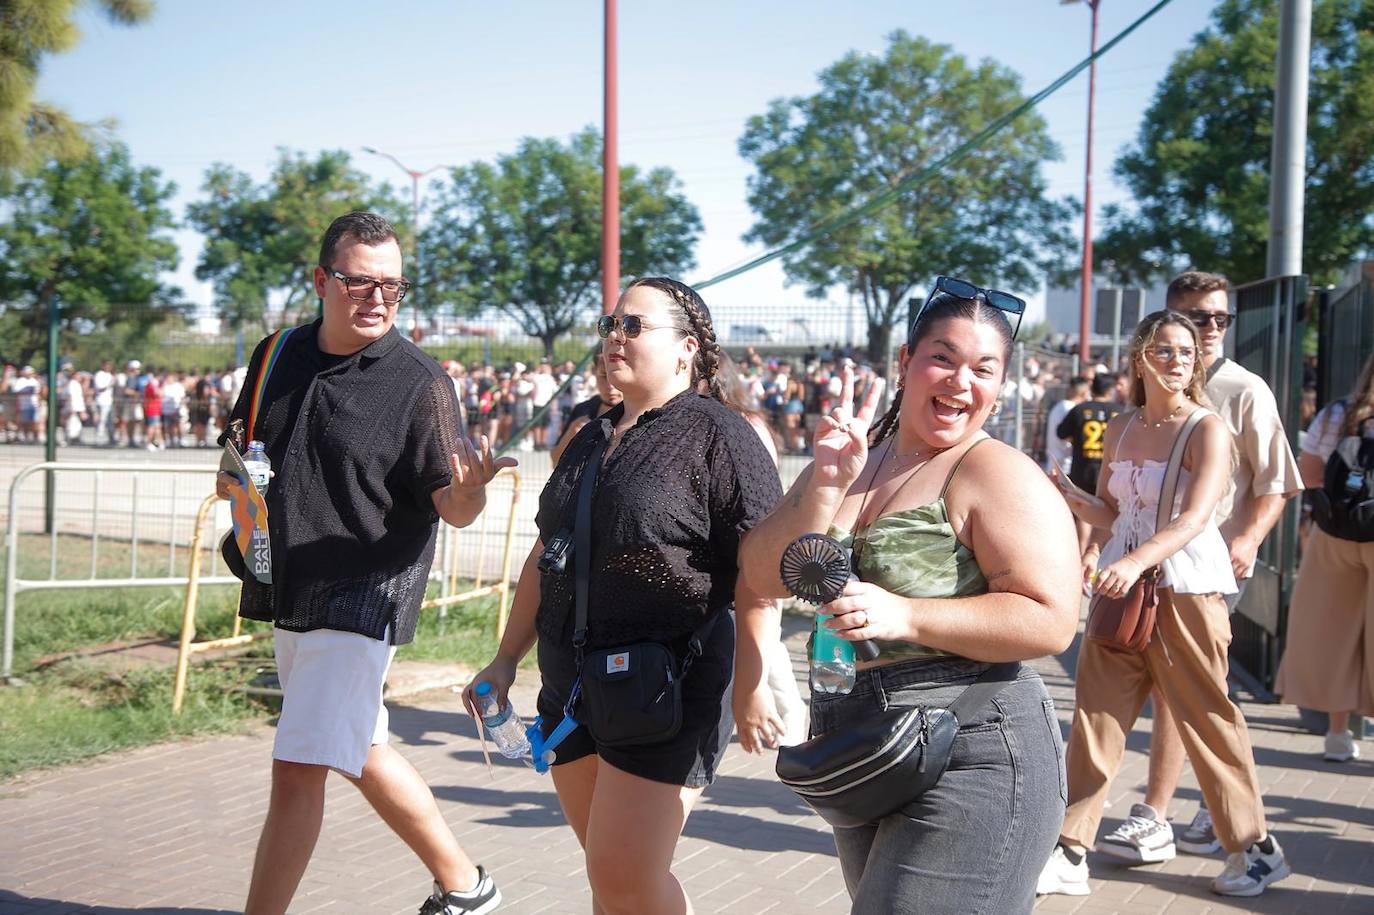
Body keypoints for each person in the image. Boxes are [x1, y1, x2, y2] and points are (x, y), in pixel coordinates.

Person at [740, 280, 1080, 914]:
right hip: (863, 746)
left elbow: (1052, 618)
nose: (959, 381)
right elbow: (759, 574)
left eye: (983, 369)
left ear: (1000, 386)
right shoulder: (854, 459)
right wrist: (822, 487)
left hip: (974, 745)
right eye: (942, 358)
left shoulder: (994, 471)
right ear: (905, 362)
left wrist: (906, 613)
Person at [217, 212, 510, 915]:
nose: (377, 298)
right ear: (322, 281)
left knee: (297, 769)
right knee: (360, 746)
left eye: (393, 286)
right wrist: (240, 503)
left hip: (366, 593)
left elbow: (453, 502)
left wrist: (469, 496)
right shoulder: (276, 353)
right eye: (360, 282)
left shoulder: (420, 382)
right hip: (290, 583)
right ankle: (466, 883)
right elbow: (241, 449)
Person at [465, 276, 781, 915]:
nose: (615, 336)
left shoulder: (721, 436)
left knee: (623, 875)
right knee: (613, 883)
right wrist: (504, 660)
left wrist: (753, 681)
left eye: (634, 326)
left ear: (686, 348)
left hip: (667, 685)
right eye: (612, 323)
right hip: (571, 686)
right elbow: (547, 556)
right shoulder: (586, 437)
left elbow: (759, 574)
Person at [1041, 310, 1289, 898]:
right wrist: (1073, 500)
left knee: (1207, 717)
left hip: (1184, 590)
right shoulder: (1124, 426)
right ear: (1139, 357)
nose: (1178, 360)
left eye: (1186, 351)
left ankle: (1255, 847)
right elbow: (1113, 512)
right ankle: (1072, 847)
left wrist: (1132, 562)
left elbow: (1196, 518)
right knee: (1096, 716)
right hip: (1121, 593)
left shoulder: (1206, 427)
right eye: (1165, 350)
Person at [1113, 271, 1300, 861]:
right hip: (1146, 566)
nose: (1209, 328)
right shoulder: (1148, 392)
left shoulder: (1244, 390)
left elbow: (1276, 482)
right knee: (1147, 691)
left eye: (1219, 319)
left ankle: (1176, 816)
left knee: (1191, 695)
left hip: (1204, 566)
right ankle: (1170, 815)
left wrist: (1246, 540)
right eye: (1195, 318)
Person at [1275, 350, 1374, 762]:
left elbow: (1309, 472)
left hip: (1334, 532)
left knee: (1333, 634)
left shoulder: (1338, 413)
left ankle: (1338, 733)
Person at [1058, 374, 1123, 554]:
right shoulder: (1121, 411)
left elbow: (1062, 433)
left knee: (1084, 514)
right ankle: (1102, 554)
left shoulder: (1080, 409)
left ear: (1092, 389)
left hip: (1083, 468)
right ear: (1111, 390)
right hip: (1111, 469)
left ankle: (1081, 555)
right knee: (1110, 512)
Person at [548, 349, 621, 467]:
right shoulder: (583, 410)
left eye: (616, 375)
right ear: (594, 372)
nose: (610, 386)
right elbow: (555, 461)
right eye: (604, 376)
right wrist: (571, 434)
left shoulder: (642, 413)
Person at [1046, 376, 1089, 476]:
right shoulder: (1072, 410)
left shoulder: (1059, 406)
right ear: (1084, 392)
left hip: (1055, 463)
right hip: (1064, 466)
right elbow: (1068, 436)